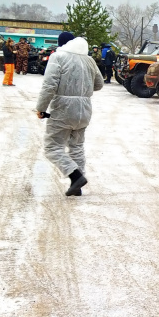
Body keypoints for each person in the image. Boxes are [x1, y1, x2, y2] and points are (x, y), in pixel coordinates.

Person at [36, 31, 103, 196]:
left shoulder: (58, 57)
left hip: (63, 110)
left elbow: (49, 85)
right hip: (84, 111)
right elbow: (99, 84)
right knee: (77, 147)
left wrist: (41, 108)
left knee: (52, 147)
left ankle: (75, 176)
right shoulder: (89, 60)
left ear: (61, 44)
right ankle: (77, 187)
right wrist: (82, 89)